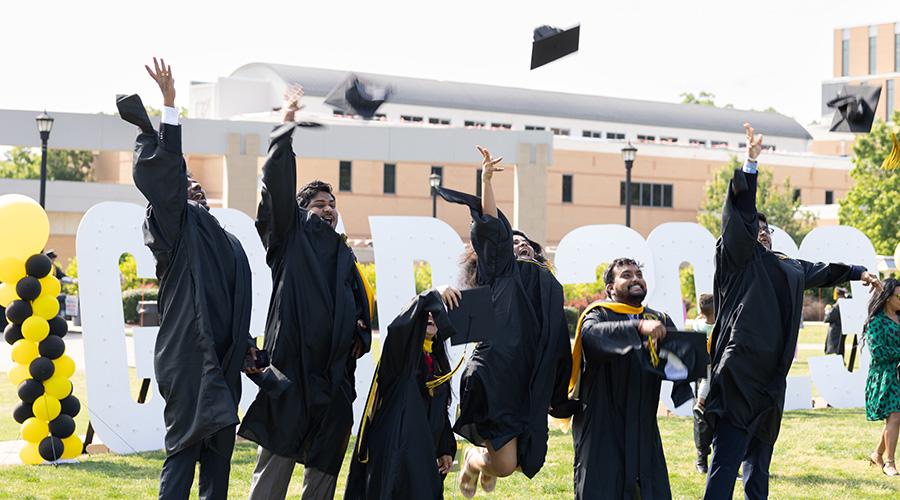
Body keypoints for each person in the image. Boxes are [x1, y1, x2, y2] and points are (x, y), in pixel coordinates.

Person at [703, 123, 882, 500]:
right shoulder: (736, 261)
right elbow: (742, 215)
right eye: (756, 227)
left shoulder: (786, 266)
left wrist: (858, 272)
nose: (762, 232)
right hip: (740, 375)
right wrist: (750, 166)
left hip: (772, 379)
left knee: (759, 466)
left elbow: (822, 270)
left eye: (767, 228)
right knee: (727, 462)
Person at [120, 58, 259, 500]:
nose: (193, 190)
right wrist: (168, 107)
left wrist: (248, 348)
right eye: (186, 186)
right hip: (189, 361)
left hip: (222, 362)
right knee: (183, 453)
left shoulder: (227, 241)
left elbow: (230, 302)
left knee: (218, 464)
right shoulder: (178, 231)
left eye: (199, 187)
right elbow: (166, 179)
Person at [237, 87, 373, 500]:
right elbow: (276, 186)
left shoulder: (345, 257)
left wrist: (360, 334)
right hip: (292, 374)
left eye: (332, 203)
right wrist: (286, 127)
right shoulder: (289, 238)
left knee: (324, 473)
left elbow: (362, 315)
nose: (328, 208)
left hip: (332, 384)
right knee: (273, 470)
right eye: (318, 203)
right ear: (299, 211)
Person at [437, 146, 571, 498]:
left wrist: (559, 392)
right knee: (506, 464)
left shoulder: (552, 286)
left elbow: (558, 340)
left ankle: (479, 459)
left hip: (529, 379)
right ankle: (472, 460)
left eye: (526, 242)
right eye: (513, 242)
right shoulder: (502, 272)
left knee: (526, 461)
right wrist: (486, 182)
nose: (520, 244)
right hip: (496, 372)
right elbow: (493, 228)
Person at [565, 257, 674, 499]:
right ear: (611, 289)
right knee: (601, 487)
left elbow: (681, 359)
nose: (636, 278)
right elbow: (592, 339)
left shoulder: (659, 319)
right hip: (602, 418)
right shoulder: (598, 314)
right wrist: (636, 328)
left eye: (639, 274)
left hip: (643, 422)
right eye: (626, 275)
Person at [345, 289, 460, 500]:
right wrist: (433, 295)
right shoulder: (399, 360)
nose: (432, 316)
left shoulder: (438, 363)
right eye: (427, 311)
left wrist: (445, 448)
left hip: (422, 457)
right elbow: (398, 328)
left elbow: (439, 413)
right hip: (396, 454)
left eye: (437, 312)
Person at [864, 278, 900, 476]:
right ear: (887, 298)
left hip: (899, 373)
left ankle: (877, 454)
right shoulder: (876, 322)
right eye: (899, 296)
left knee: (896, 419)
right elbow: (878, 352)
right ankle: (890, 463)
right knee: (895, 416)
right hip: (886, 376)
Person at [692, 293, 715, 474]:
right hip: (705, 372)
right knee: (702, 421)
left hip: (721, 374)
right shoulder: (719, 324)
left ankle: (721, 459)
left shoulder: (699, 324)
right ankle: (702, 457)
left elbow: (695, 324)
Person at [824, 288, 847, 356]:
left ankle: (839, 360)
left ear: (837, 294)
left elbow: (830, 317)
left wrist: (827, 311)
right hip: (843, 327)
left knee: (836, 346)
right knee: (841, 345)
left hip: (836, 328)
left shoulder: (837, 305)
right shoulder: (846, 302)